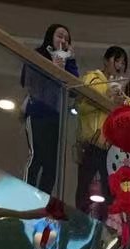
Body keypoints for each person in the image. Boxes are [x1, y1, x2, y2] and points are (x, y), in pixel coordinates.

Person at [75, 46, 130, 214]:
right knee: (85, 187)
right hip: (92, 142)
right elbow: (83, 104)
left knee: (108, 190)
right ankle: (81, 220)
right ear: (106, 60)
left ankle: (106, 222)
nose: (119, 65)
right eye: (117, 60)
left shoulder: (121, 89)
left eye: (123, 63)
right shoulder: (93, 78)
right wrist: (109, 96)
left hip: (111, 146)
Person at [22, 23, 77, 194]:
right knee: (36, 156)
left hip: (56, 116)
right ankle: (26, 193)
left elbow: (75, 89)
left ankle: (43, 198)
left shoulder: (67, 61)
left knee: (52, 163)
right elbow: (27, 80)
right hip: (37, 113)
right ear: (50, 36)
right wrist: (51, 66)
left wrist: (70, 61)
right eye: (59, 36)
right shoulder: (37, 55)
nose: (63, 40)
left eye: (66, 39)